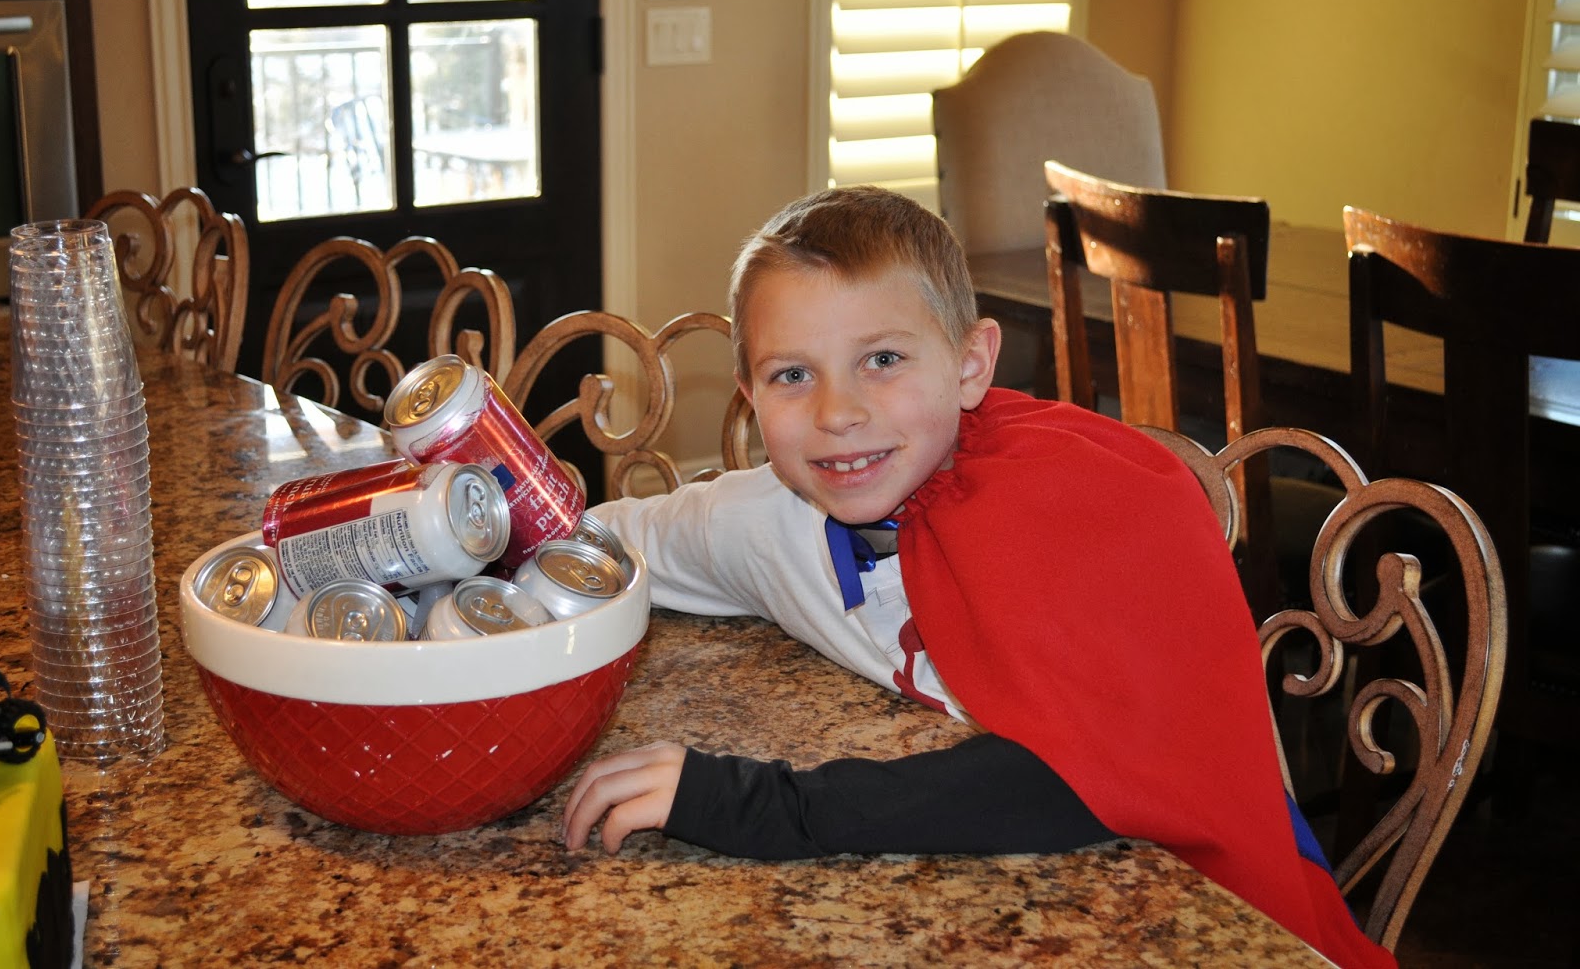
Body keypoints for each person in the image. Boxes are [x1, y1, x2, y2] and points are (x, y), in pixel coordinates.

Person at [559, 185, 1393, 969]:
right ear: (749, 394)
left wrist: (751, 801)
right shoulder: (780, 510)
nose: (837, 413)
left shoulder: (1080, 510)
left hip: (1228, 915)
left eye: (883, 359)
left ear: (970, 365)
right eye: (792, 375)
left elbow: (1074, 781)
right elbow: (602, 542)